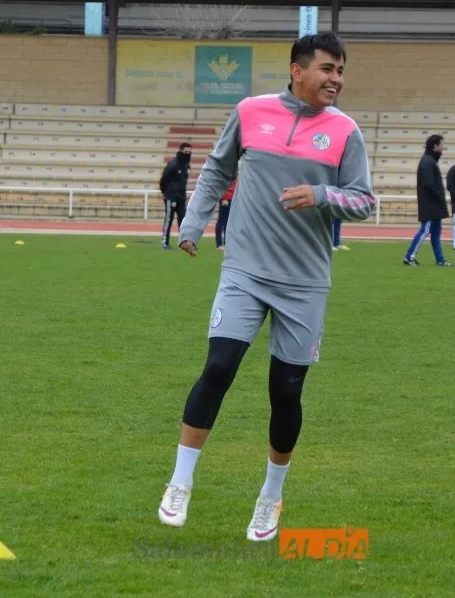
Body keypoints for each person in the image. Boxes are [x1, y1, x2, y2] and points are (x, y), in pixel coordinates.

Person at [157, 33, 376, 542]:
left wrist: (321, 194)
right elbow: (218, 169)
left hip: (304, 282)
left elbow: (365, 201)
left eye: (341, 71)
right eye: (327, 69)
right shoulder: (251, 111)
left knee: (285, 391)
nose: (336, 79)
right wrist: (194, 222)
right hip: (245, 270)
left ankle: (270, 496)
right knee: (218, 368)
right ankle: (180, 481)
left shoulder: (345, 131)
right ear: (297, 70)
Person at [403, 134, 453, 266]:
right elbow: (428, 184)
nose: (443, 148)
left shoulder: (430, 161)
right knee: (425, 230)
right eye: (441, 145)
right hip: (430, 204)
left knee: (435, 233)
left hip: (434, 204)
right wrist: (439, 197)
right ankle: (409, 256)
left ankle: (440, 260)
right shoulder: (428, 162)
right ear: (435, 146)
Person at [159, 142, 192, 250]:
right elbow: (164, 178)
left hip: (181, 197)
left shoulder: (187, 165)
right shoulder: (173, 164)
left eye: (189, 152)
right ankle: (165, 242)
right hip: (171, 196)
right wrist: (164, 192)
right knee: (169, 219)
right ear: (181, 151)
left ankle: (184, 242)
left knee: (183, 221)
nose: (188, 154)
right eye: (186, 151)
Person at [215, 179, 237, 251]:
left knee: (228, 223)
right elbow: (222, 184)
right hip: (227, 198)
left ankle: (227, 243)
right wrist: (224, 197)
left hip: (232, 198)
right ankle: (219, 244)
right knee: (222, 222)